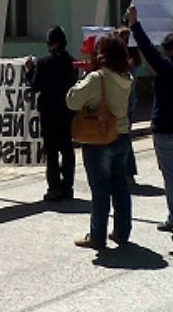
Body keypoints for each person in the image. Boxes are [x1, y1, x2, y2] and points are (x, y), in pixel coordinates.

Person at [128, 7, 173, 231]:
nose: (163, 51)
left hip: (167, 127)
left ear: (171, 51)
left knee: (171, 174)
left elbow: (149, 51)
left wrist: (135, 25)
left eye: (165, 49)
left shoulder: (168, 68)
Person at [66, 35, 133, 249]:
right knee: (120, 187)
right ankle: (122, 232)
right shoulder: (126, 77)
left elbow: (72, 100)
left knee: (100, 190)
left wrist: (84, 77)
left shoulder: (98, 78)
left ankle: (97, 236)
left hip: (100, 139)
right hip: (121, 135)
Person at [25, 26, 78, 201]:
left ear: (52, 44)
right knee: (68, 150)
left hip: (48, 113)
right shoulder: (72, 63)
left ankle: (54, 188)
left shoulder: (43, 63)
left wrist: (30, 71)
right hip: (67, 111)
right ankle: (68, 187)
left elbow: (35, 86)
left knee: (52, 151)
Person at [114, 26, 142, 186]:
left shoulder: (129, 62)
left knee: (123, 138)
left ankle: (128, 172)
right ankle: (125, 172)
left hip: (126, 102)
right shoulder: (127, 59)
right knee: (122, 137)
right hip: (125, 102)